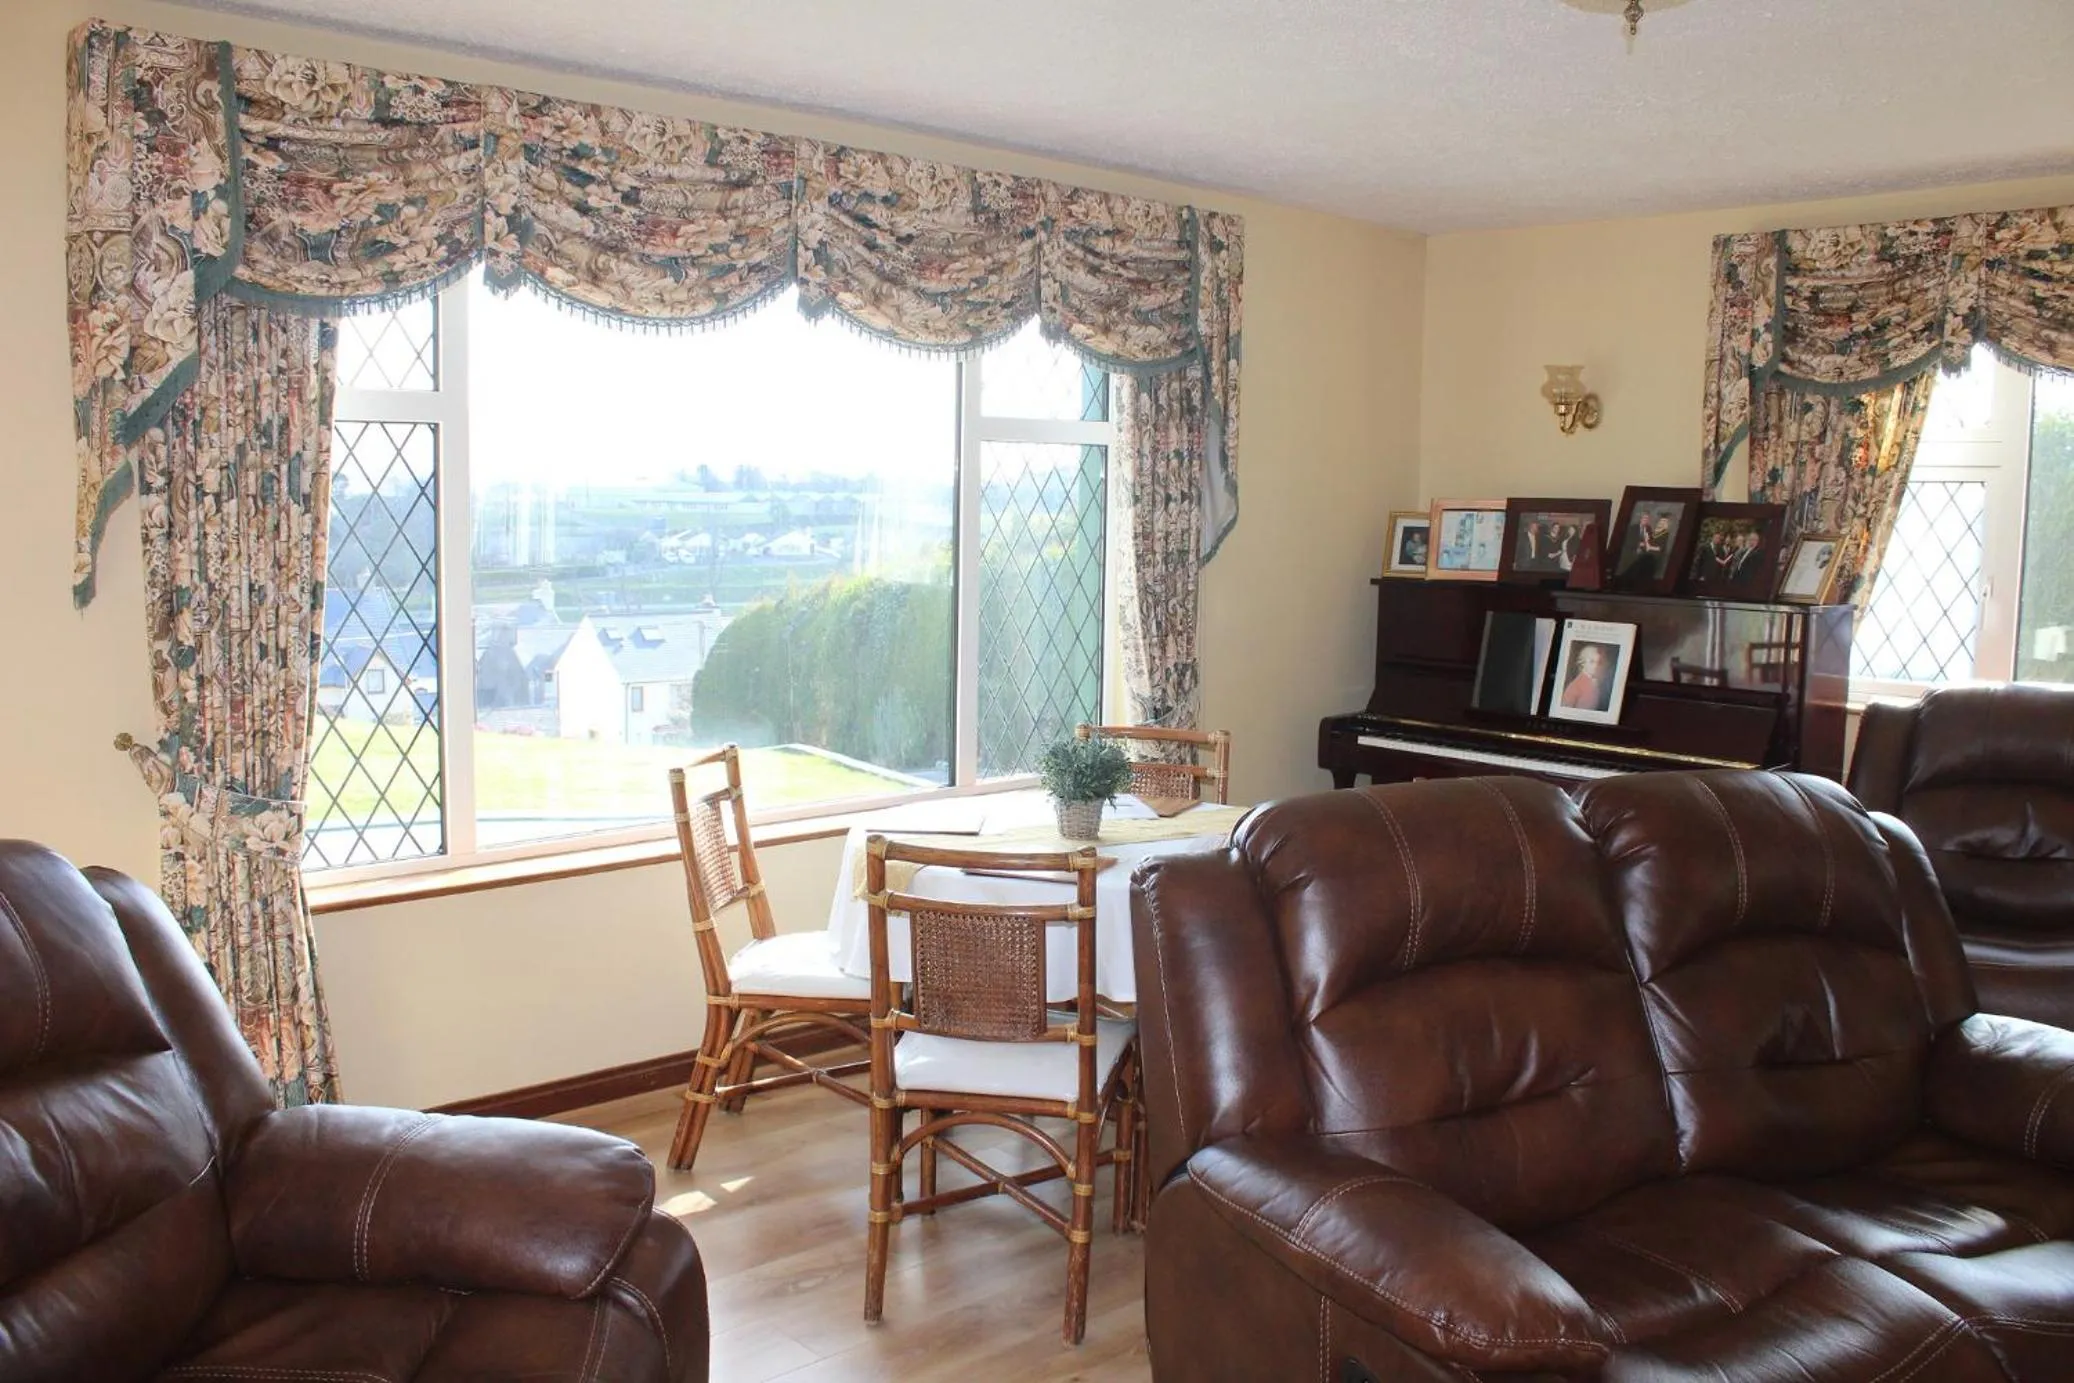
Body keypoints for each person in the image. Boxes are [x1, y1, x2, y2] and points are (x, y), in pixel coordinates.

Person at [1561, 644, 1611, 712]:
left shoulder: (1595, 682)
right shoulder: (1575, 686)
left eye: (1598, 662)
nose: (1595, 666)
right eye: (1592, 662)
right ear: (1583, 663)